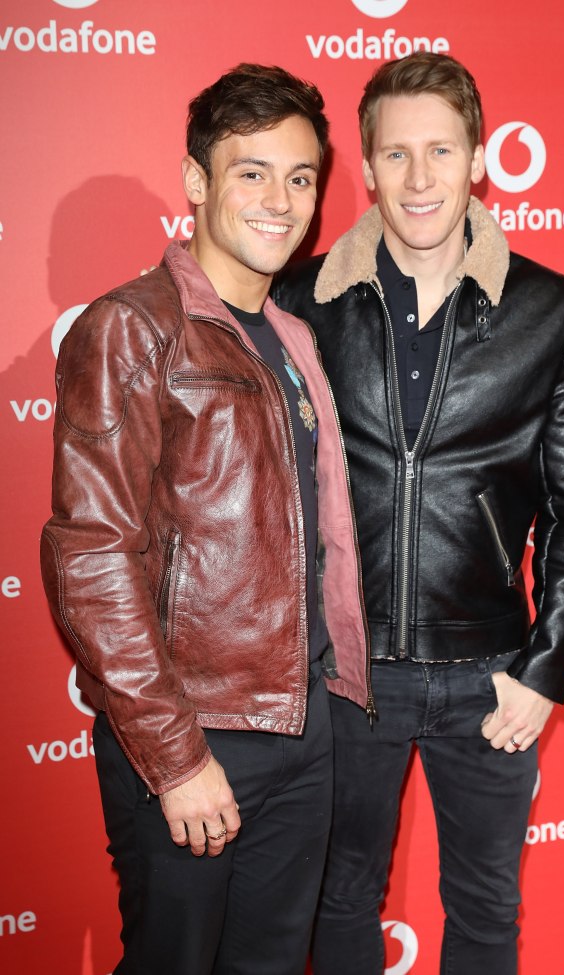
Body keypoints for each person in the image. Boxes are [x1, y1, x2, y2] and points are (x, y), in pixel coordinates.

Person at [273, 52, 564, 975]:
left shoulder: (550, 310)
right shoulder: (303, 302)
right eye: (396, 154)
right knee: (339, 898)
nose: (419, 178)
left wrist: (544, 671)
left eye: (441, 151)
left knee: (486, 908)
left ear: (479, 159)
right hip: (347, 673)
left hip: (493, 676)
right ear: (367, 168)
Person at [40, 63, 370, 975]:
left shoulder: (293, 338)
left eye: (300, 177)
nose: (281, 201)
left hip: (301, 725)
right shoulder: (132, 327)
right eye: (251, 172)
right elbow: (92, 556)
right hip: (195, 732)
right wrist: (175, 756)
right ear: (196, 180)